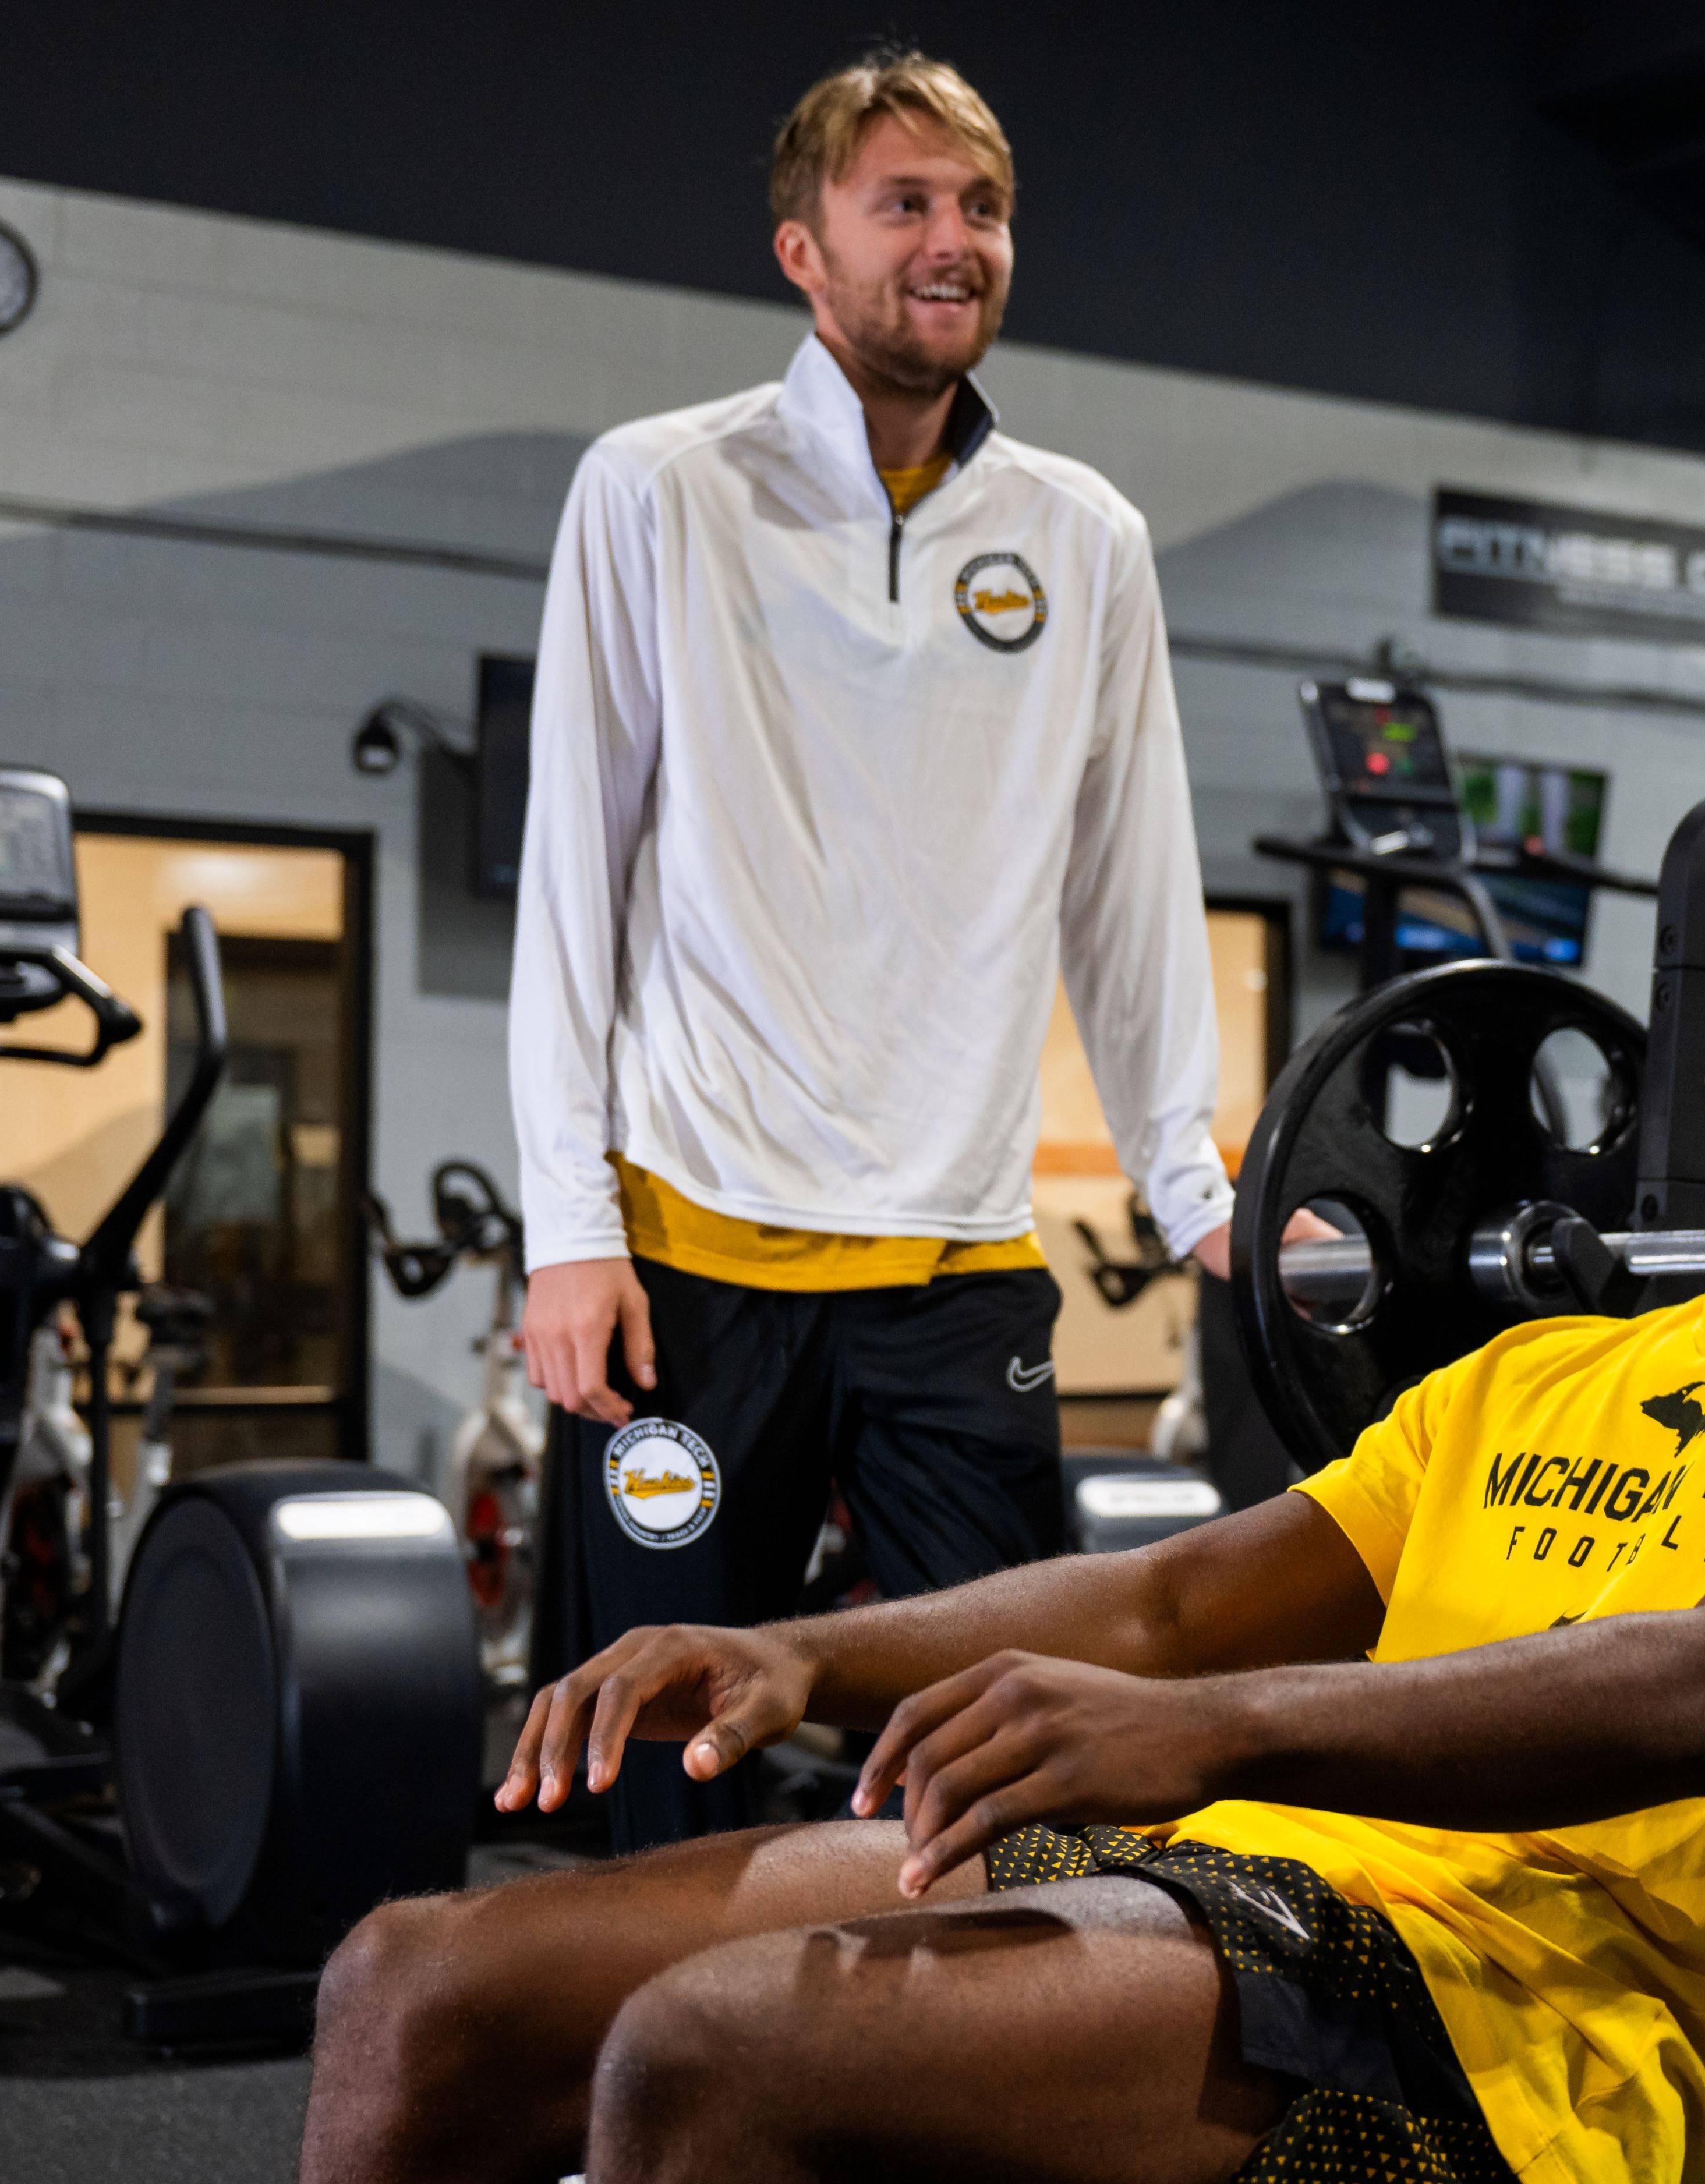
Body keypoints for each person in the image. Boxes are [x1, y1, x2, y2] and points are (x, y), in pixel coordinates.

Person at [310, 848, 1705, 2184]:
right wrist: (798, 1650)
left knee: (714, 2056)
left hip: (1525, 2019)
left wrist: (1195, 1739)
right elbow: (1184, 1604)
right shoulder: (1542, 1375)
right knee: (423, 1979)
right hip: (1224, 1877)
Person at [508, 50, 1236, 1849]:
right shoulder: (658, 490)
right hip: (689, 1268)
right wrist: (567, 1235)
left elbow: (1134, 887)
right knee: (664, 1773)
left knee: (998, 1765)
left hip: (956, 1275)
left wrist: (1194, 1178)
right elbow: (568, 884)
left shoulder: (1087, 539)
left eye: (981, 207)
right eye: (901, 202)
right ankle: (647, 2128)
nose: (951, 240)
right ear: (803, 252)